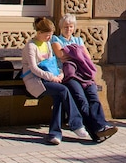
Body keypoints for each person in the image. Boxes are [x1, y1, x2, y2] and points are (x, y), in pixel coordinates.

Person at [51, 14, 118, 143]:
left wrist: (71, 53)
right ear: (61, 27)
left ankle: (101, 127)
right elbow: (60, 55)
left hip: (84, 75)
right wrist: (77, 53)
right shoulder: (56, 39)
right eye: (65, 27)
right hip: (68, 76)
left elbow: (86, 57)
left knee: (94, 98)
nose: (68, 29)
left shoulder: (79, 40)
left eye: (71, 27)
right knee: (82, 101)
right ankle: (98, 131)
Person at [21, 17, 87, 145]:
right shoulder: (31, 46)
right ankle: (76, 124)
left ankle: (55, 134)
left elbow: (54, 64)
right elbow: (34, 69)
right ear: (39, 33)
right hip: (35, 82)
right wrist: (52, 78)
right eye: (47, 35)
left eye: (51, 35)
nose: (49, 38)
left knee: (59, 96)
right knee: (63, 90)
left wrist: (61, 74)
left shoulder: (47, 44)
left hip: (49, 79)